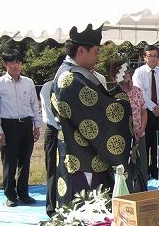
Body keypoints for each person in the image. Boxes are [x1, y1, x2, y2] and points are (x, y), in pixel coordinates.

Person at [52, 24, 133, 207]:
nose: (98, 57)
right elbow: (100, 113)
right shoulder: (70, 78)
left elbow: (98, 101)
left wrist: (119, 91)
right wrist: (122, 101)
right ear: (81, 50)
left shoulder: (73, 74)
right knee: (88, 211)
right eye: (96, 52)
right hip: (82, 159)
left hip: (82, 156)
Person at [0, 48, 41, 207]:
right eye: (11, 62)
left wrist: (37, 125)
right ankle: (10, 195)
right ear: (4, 64)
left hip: (26, 124)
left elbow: (34, 104)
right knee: (9, 162)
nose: (16, 66)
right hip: (8, 125)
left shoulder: (28, 82)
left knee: (25, 161)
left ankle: (23, 193)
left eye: (18, 62)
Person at [132, 45, 159, 179]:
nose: (153, 58)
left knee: (157, 144)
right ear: (144, 57)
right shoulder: (139, 72)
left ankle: (155, 169)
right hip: (145, 112)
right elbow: (140, 92)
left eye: (155, 56)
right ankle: (144, 171)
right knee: (145, 143)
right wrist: (153, 107)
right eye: (150, 56)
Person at [109, 59, 148, 192]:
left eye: (128, 73)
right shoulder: (112, 95)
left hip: (139, 135)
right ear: (115, 77)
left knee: (141, 167)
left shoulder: (137, 91)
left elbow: (144, 111)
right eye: (122, 74)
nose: (126, 76)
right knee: (125, 169)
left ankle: (142, 193)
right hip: (122, 138)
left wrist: (142, 129)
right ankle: (125, 193)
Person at [39, 53, 66, 217]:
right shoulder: (48, 87)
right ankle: (51, 207)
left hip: (69, 132)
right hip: (54, 130)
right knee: (52, 168)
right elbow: (50, 115)